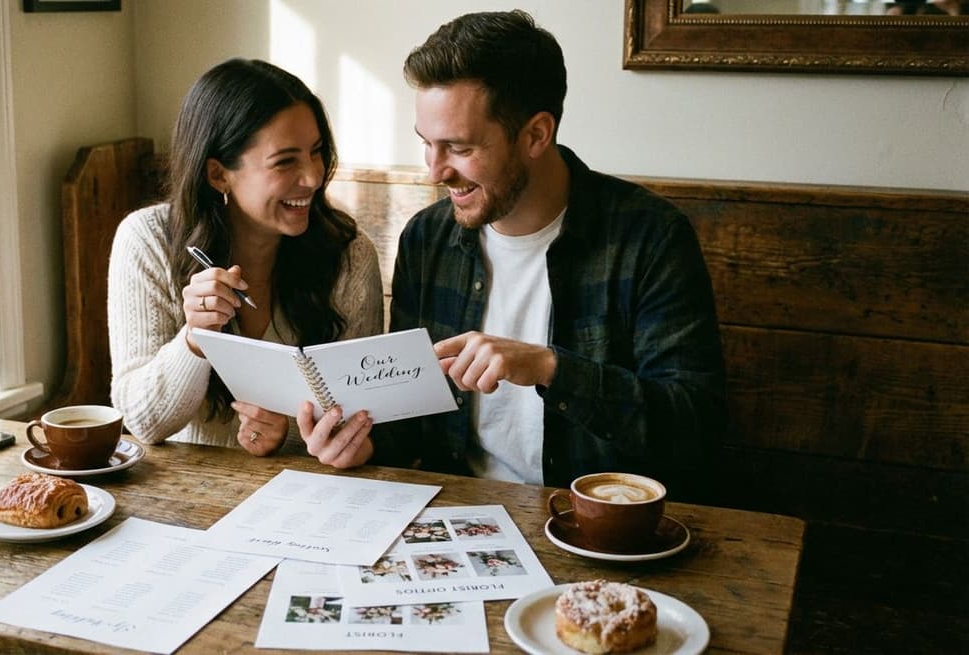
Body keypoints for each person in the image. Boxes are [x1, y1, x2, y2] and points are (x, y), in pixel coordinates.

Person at [370, 10, 727, 499]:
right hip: (454, 516)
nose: (435, 172)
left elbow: (693, 429)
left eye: (458, 147)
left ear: (536, 134)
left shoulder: (649, 238)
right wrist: (360, 440)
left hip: (593, 528)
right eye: (427, 144)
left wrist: (549, 369)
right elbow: (409, 414)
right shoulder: (426, 240)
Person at [107, 58, 383, 461]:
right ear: (219, 175)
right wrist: (196, 337)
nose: (313, 177)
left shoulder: (349, 254)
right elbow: (144, 421)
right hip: (185, 493)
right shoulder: (147, 240)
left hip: (309, 496)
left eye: (316, 152)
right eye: (286, 161)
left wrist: (288, 432)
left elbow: (363, 419)